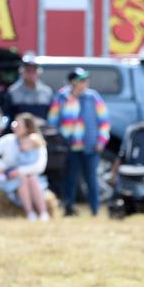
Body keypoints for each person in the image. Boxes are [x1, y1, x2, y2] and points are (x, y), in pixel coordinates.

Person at [48, 67, 110, 216]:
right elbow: (53, 120)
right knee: (70, 179)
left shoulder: (93, 97)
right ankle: (69, 208)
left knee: (92, 179)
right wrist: (60, 139)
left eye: (85, 80)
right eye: (81, 80)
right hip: (69, 146)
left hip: (90, 145)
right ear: (73, 82)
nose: (85, 83)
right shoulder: (62, 98)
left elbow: (104, 121)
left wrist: (101, 140)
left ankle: (95, 210)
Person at [0, 113, 50, 221]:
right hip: (9, 178)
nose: (15, 127)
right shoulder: (9, 140)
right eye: (15, 124)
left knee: (31, 178)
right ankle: (30, 213)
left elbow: (40, 166)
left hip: (29, 178)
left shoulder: (36, 142)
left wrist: (19, 171)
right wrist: (3, 168)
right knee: (23, 180)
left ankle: (43, 213)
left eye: (19, 125)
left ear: (27, 128)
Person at [6, 55, 54, 120]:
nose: (31, 74)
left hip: (42, 129)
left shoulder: (47, 92)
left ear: (38, 72)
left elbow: (52, 116)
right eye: (28, 70)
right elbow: (8, 115)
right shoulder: (13, 92)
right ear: (22, 72)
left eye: (34, 70)